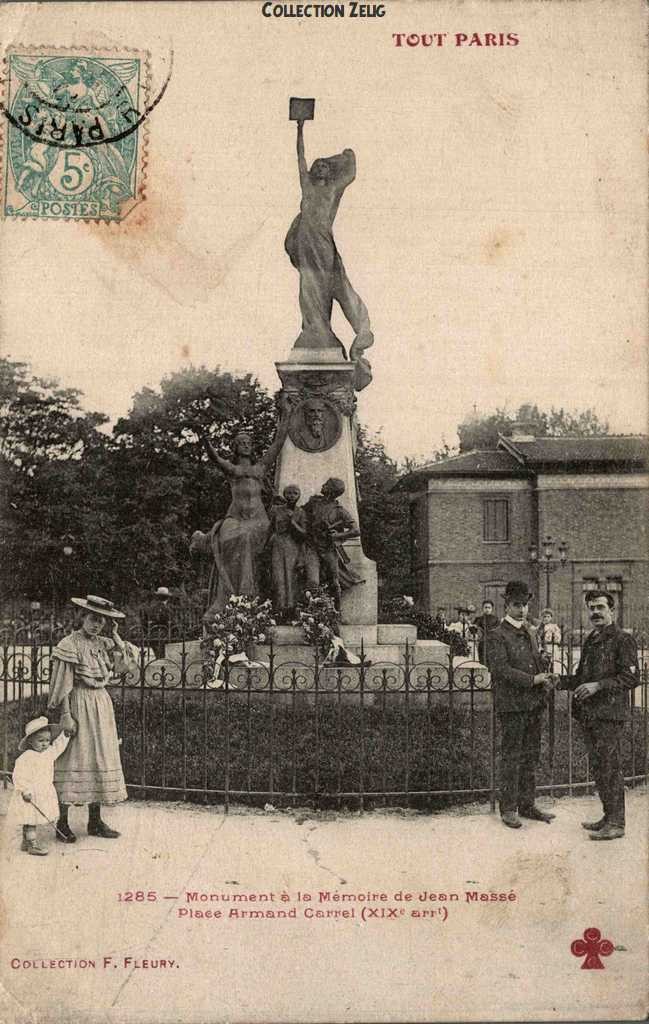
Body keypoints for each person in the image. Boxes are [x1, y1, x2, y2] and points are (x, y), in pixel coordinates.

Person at [285, 118, 374, 389]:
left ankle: (322, 330)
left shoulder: (334, 189)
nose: (321, 168)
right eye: (318, 165)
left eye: (325, 166)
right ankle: (314, 329)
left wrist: (346, 156)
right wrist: (300, 129)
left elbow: (350, 172)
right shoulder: (307, 186)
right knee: (308, 286)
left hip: (323, 242)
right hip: (305, 240)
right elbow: (299, 158)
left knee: (324, 286)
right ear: (313, 171)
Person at [47, 595, 138, 842]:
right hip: (78, 702)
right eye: (92, 619)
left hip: (101, 703)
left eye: (102, 621)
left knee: (99, 756)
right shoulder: (70, 644)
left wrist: (117, 635)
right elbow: (63, 683)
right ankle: (62, 822)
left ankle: (95, 821)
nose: (96, 625)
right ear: (82, 618)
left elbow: (127, 665)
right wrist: (66, 715)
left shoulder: (105, 644)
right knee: (74, 757)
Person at [557, 591, 639, 840]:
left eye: (601, 607)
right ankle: (608, 815)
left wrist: (598, 686)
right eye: (591, 608)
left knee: (610, 768)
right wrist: (559, 681)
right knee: (599, 767)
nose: (595, 612)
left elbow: (630, 677)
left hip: (610, 715)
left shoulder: (623, 639)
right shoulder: (592, 639)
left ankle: (617, 823)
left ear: (612, 611)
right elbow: (583, 679)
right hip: (591, 715)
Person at [198, 409, 289, 615]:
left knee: (249, 539)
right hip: (236, 517)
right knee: (234, 537)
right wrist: (205, 440)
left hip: (258, 520)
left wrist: (288, 414)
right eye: (241, 443)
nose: (246, 446)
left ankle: (249, 596)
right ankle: (234, 595)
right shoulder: (233, 470)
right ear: (236, 448)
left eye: (248, 443)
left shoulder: (260, 468)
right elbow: (215, 458)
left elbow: (278, 443)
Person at [487, 580, 556, 829]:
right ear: (506, 605)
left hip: (532, 704)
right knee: (512, 756)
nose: (522, 610)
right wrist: (532, 679)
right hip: (512, 705)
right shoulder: (496, 634)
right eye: (517, 605)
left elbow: (532, 660)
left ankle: (527, 804)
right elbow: (500, 669)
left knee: (530, 756)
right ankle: (508, 808)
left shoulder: (529, 630)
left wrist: (543, 667)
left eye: (525, 605)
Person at [9, 716, 74, 856]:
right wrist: (24, 790)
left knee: (31, 818)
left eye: (47, 740)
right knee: (30, 819)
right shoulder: (26, 757)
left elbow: (58, 747)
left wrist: (65, 735)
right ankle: (32, 844)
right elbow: (19, 775)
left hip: (43, 791)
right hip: (30, 792)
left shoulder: (48, 753)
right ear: (31, 741)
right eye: (40, 741)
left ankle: (26, 842)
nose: (45, 744)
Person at [303, 478, 363, 611]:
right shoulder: (314, 503)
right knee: (313, 581)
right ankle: (313, 613)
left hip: (329, 549)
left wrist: (338, 535)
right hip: (312, 547)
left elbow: (356, 530)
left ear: (331, 490)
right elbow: (300, 513)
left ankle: (335, 612)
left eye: (326, 484)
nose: (323, 485)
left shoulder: (339, 510)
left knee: (334, 582)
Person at [268, 484, 307, 619]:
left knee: (291, 579)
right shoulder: (275, 510)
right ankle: (279, 609)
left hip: (293, 547)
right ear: (284, 495)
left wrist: (293, 523)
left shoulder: (301, 512)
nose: (291, 496)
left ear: (299, 496)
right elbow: (269, 529)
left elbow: (304, 533)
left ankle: (291, 611)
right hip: (278, 545)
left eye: (295, 493)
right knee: (278, 578)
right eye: (289, 493)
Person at [475, 599, 500, 664]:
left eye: (489, 607)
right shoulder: (479, 619)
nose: (487, 609)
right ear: (482, 608)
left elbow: (498, 631)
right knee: (482, 660)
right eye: (485, 607)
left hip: (492, 643)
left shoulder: (495, 619)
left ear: (492, 609)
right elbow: (475, 629)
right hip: (482, 642)